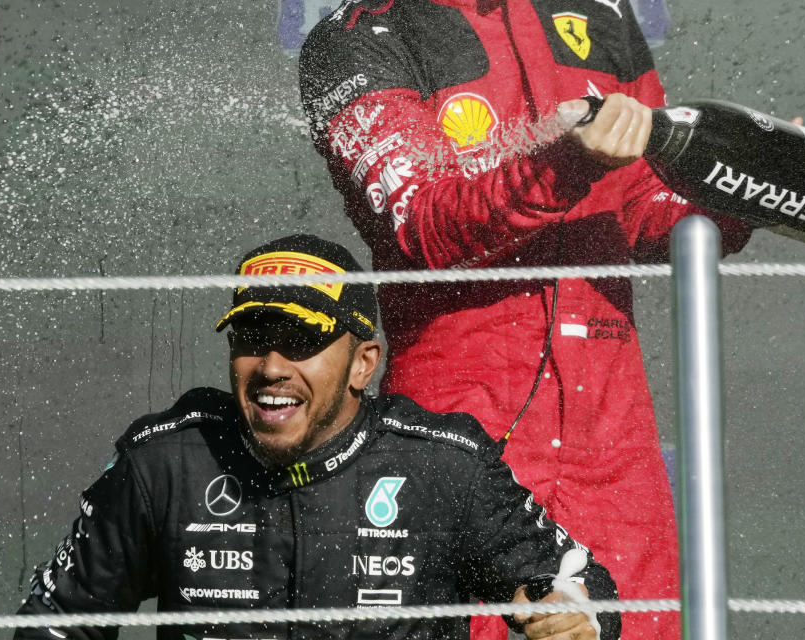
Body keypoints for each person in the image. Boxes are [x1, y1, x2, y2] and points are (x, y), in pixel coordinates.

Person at [298, 2, 754, 639]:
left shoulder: (602, 14)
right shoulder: (355, 35)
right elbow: (422, 224)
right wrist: (567, 162)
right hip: (460, 437)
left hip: (615, 444)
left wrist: (744, 190)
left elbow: (644, 212)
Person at [13, 234, 621, 640]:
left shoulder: (441, 463)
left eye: (300, 342)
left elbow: (582, 583)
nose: (271, 367)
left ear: (364, 363)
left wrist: (569, 611)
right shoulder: (167, 461)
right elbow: (58, 620)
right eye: (251, 338)